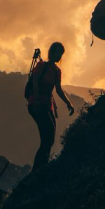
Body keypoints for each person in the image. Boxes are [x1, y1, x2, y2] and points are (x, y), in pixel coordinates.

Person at [24, 42, 78, 171]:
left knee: (50, 137)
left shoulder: (57, 71)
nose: (59, 55)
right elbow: (35, 81)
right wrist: (36, 100)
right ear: (51, 53)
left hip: (47, 106)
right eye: (57, 52)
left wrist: (68, 103)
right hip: (36, 104)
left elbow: (58, 89)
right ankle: (38, 169)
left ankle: (41, 166)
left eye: (61, 53)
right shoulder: (42, 66)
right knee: (47, 136)